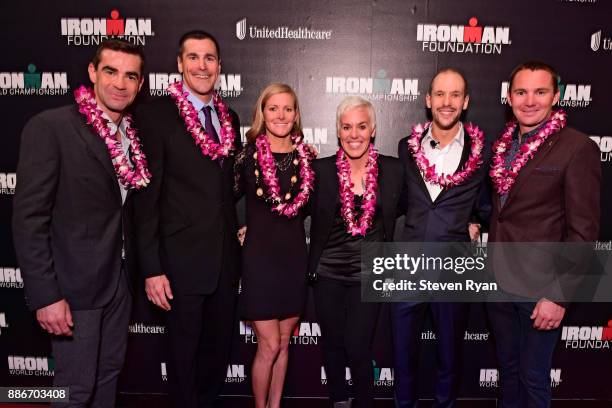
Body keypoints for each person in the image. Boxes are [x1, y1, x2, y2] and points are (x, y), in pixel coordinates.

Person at [12, 39, 148, 407]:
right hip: (73, 287)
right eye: (111, 71)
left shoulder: (133, 138)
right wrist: (46, 296)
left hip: (120, 282)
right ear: (92, 72)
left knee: (108, 378)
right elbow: (29, 219)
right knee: (74, 390)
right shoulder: (52, 127)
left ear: (139, 84)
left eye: (130, 76)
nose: (120, 83)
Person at [132, 30, 241, 408]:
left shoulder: (230, 118)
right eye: (193, 57)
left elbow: (230, 189)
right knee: (182, 359)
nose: (201, 65)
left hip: (225, 263)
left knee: (216, 355)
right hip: (178, 263)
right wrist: (151, 268)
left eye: (209, 58)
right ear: (179, 64)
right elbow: (146, 197)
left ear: (219, 67)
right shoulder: (155, 116)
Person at [487, 61, 600, 407]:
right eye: (521, 92)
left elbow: (584, 231)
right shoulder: (503, 145)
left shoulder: (577, 148)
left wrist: (559, 295)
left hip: (541, 291)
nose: (530, 100)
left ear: (556, 97)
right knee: (507, 371)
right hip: (499, 283)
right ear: (510, 97)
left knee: (533, 377)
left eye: (540, 92)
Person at [393, 68, 491, 408]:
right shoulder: (407, 148)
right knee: (403, 353)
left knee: (450, 354)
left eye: (454, 95)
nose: (446, 103)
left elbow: (487, 204)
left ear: (465, 102)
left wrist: (474, 220)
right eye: (439, 94)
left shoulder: (482, 154)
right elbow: (398, 200)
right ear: (427, 100)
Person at [308, 96, 403, 408]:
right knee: (333, 344)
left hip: (370, 273)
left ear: (373, 129)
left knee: (359, 346)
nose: (354, 134)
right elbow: (288, 205)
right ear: (338, 130)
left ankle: (364, 401)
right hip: (328, 272)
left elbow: (421, 206)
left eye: (361, 126)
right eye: (347, 127)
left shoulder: (393, 170)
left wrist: (472, 219)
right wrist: (247, 225)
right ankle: (338, 400)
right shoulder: (320, 170)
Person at [234, 83, 313, 408]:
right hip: (260, 261)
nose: (280, 115)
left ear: (295, 115)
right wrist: (239, 225)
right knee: (267, 344)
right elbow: (221, 201)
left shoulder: (306, 158)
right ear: (262, 113)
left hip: (294, 258)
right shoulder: (245, 156)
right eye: (273, 108)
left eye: (287, 109)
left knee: (283, 342)